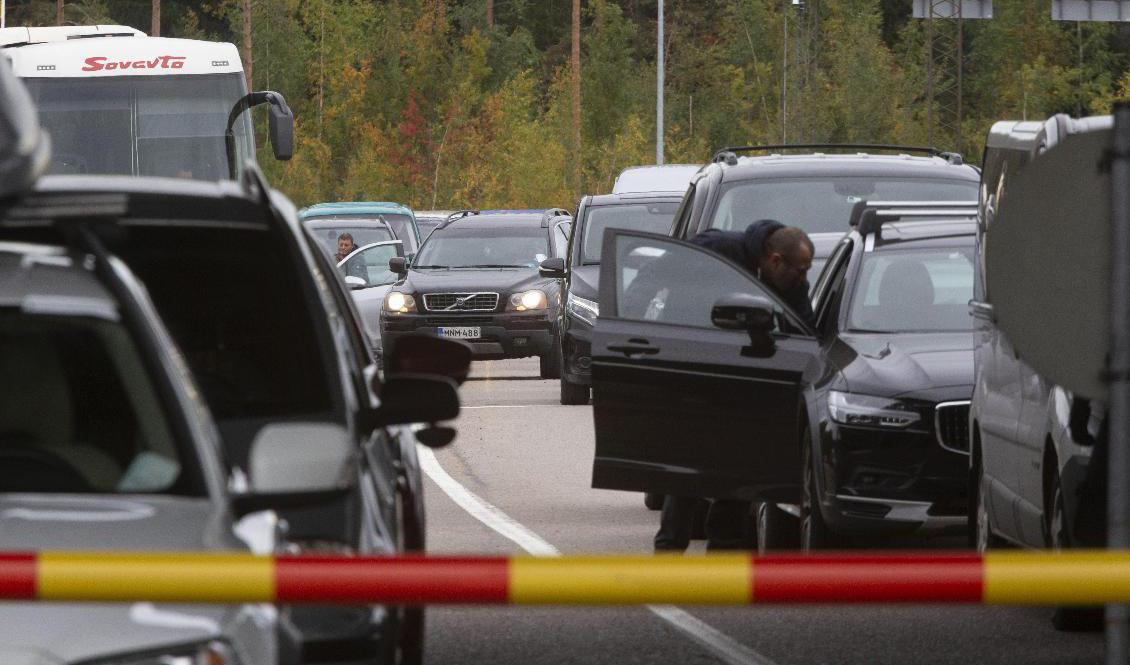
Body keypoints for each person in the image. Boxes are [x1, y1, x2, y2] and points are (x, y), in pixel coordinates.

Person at [654, 219, 816, 553]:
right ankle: (668, 551)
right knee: (688, 468)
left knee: (738, 469)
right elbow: (655, 279)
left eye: (805, 272)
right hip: (696, 374)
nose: (803, 280)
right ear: (774, 260)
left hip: (746, 386)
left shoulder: (792, 282)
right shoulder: (717, 250)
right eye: (799, 271)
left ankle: (723, 555)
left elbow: (804, 333)